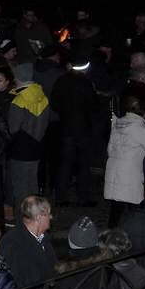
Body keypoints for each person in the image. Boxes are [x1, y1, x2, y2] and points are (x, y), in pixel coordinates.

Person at [0, 195, 57, 289]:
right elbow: (14, 284)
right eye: (48, 214)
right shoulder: (13, 244)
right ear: (39, 217)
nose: (51, 217)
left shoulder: (43, 238)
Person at [50, 54, 100, 206]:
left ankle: (61, 197)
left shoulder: (61, 81)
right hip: (83, 129)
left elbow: (54, 103)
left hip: (66, 127)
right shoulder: (86, 83)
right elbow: (94, 105)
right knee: (83, 164)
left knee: (65, 163)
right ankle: (83, 197)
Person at [104, 95, 145, 227]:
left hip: (113, 172)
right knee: (134, 208)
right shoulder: (140, 127)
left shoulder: (118, 123)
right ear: (143, 111)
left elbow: (109, 150)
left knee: (116, 209)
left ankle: (110, 236)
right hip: (129, 174)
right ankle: (134, 235)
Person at [5, 78, 51, 216]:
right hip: (36, 148)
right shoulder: (42, 97)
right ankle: (35, 219)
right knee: (32, 186)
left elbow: (13, 128)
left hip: (20, 149)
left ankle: (22, 222)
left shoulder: (19, 100)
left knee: (20, 190)